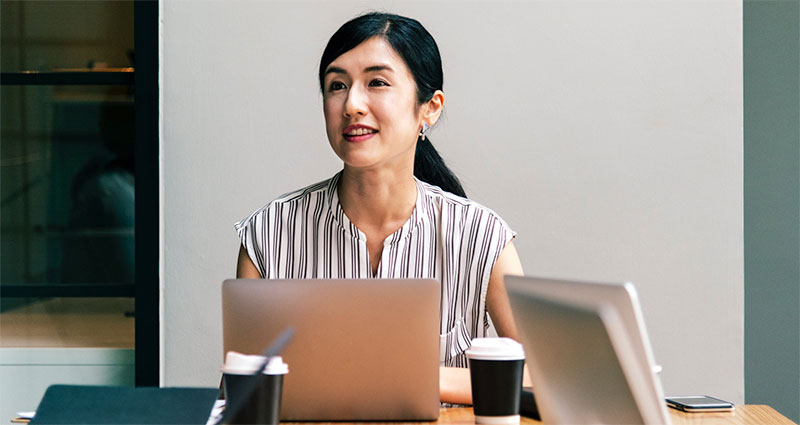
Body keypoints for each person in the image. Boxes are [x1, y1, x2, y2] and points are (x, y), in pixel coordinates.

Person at [234, 12, 523, 405]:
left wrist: (414, 376)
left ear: (430, 108)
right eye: (337, 85)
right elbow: (243, 390)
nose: (352, 104)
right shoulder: (268, 233)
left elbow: (539, 378)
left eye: (377, 83)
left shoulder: (482, 237)